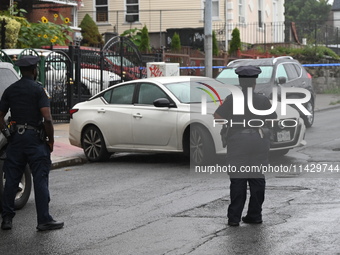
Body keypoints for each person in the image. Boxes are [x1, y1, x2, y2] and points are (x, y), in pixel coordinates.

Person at [0, 55, 64, 231]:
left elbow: (0, 117)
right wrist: (50, 141)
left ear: (21, 70)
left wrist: (8, 134)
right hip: (35, 140)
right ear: (35, 70)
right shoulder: (38, 90)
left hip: (16, 140)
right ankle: (44, 220)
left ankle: (6, 219)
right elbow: (48, 119)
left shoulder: (10, 90)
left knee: (12, 179)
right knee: (40, 179)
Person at [214, 65, 277, 227]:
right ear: (255, 83)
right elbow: (273, 119)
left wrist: (231, 123)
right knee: (257, 179)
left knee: (238, 179)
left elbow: (218, 116)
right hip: (258, 140)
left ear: (240, 82)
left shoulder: (232, 99)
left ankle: (234, 218)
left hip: (237, 142)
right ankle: (255, 215)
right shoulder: (262, 99)